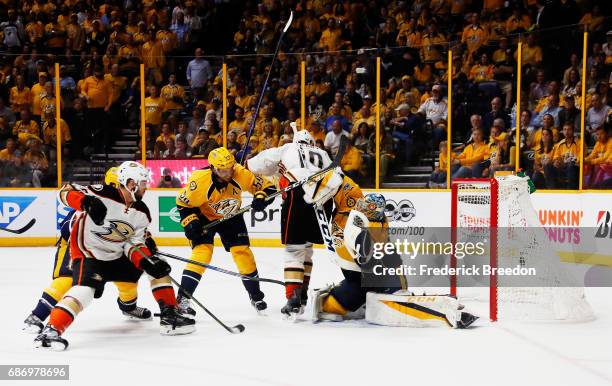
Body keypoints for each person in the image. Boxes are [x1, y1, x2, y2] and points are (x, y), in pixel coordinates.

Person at [34, 161, 194, 350]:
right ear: (130, 183)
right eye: (143, 183)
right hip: (90, 255)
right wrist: (85, 202)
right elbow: (64, 192)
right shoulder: (100, 192)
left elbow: (134, 244)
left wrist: (145, 260)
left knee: (158, 266)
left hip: (117, 256)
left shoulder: (142, 212)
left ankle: (169, 317)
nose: (146, 187)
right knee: (85, 291)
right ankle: (51, 331)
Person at [311, 193, 477, 328]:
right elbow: (366, 262)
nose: (363, 208)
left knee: (390, 279)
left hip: (363, 275)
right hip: (358, 275)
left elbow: (389, 256)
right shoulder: (357, 224)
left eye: (368, 207)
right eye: (364, 206)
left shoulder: (379, 222)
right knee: (336, 304)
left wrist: (398, 280)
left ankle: (391, 296)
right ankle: (423, 307)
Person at [23, 168, 157, 333]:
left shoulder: (132, 208)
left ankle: (128, 307)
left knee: (129, 278)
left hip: (111, 250)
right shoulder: (95, 201)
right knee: (66, 279)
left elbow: (133, 232)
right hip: (77, 247)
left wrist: (146, 242)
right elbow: (68, 229)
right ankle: (37, 315)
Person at [247, 129, 337, 319]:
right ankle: (302, 293)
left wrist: (244, 164)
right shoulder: (323, 154)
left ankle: (293, 298)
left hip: (298, 193)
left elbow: (256, 165)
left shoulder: (288, 147)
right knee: (307, 248)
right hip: (324, 198)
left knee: (294, 250)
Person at [176, 148, 276, 316]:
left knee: (242, 252)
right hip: (204, 216)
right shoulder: (199, 181)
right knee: (202, 253)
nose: (228, 172)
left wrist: (261, 197)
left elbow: (268, 187)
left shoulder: (240, 173)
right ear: (213, 168)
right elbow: (182, 204)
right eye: (223, 169)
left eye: (230, 167)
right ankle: (183, 298)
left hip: (231, 215)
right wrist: (190, 223)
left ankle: (255, 295)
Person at [544, 122, 580, 189]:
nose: (566, 132)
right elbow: (556, 157)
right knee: (548, 165)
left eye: (569, 129)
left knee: (571, 166)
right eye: (565, 129)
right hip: (563, 167)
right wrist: (557, 161)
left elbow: (580, 159)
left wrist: (567, 162)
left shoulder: (579, 142)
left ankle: (571, 190)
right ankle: (551, 189)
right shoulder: (560, 143)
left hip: (575, 168)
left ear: (573, 131)